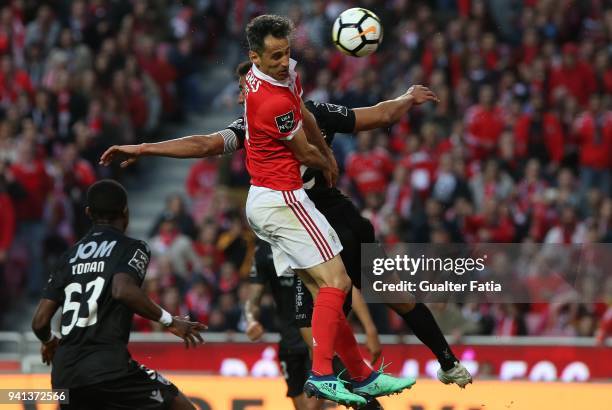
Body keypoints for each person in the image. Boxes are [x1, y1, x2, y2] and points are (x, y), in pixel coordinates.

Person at [100, 60, 473, 390]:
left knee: (329, 315)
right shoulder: (288, 117)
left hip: (314, 219)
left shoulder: (275, 121)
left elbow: (204, 144)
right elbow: (380, 115)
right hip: (318, 219)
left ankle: (355, 377)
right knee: (363, 303)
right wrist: (407, 98)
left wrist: (146, 147)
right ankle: (437, 365)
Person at [31, 179, 206, 410]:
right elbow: (122, 289)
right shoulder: (132, 247)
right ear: (125, 212)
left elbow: (40, 322)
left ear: (88, 213)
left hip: (66, 376)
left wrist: (49, 340)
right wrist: (169, 321)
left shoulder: (68, 256)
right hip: (109, 370)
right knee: (182, 407)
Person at [245, 239, 383, 410]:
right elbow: (253, 298)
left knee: (313, 405)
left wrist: (370, 328)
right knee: (304, 407)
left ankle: (370, 404)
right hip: (289, 342)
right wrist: (251, 319)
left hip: (319, 335)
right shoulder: (263, 252)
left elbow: (345, 285)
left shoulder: (310, 241)